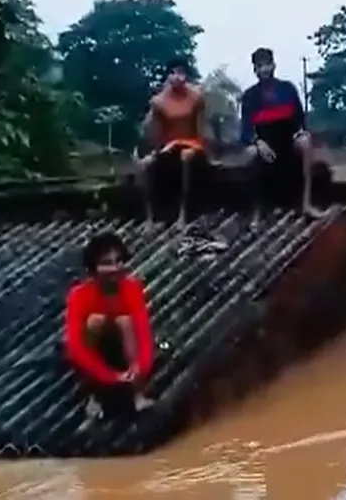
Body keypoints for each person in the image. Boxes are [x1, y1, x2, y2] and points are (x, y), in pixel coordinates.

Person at [64, 231, 156, 421]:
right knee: (95, 321)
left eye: (118, 261)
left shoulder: (132, 288)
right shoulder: (79, 295)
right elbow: (76, 348)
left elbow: (143, 333)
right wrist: (110, 377)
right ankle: (93, 395)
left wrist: (140, 367)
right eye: (106, 263)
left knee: (125, 321)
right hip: (95, 352)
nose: (115, 268)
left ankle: (138, 392)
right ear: (93, 268)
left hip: (123, 348)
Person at [240, 47, 325, 220]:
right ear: (255, 70)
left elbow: (300, 118)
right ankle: (257, 210)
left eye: (267, 64)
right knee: (249, 153)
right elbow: (246, 129)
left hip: (287, 140)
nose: (264, 69)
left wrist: (299, 132)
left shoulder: (287, 89)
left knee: (306, 141)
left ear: (274, 65)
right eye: (260, 66)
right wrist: (257, 141)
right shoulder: (250, 96)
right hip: (265, 144)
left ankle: (306, 203)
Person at [136, 58, 207, 225]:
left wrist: (195, 148)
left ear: (186, 76)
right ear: (167, 76)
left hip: (192, 147)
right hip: (168, 148)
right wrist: (153, 154)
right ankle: (150, 217)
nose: (177, 77)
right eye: (173, 73)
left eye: (181, 72)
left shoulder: (196, 97)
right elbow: (157, 135)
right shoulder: (158, 102)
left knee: (185, 157)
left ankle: (183, 212)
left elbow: (201, 133)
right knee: (144, 165)